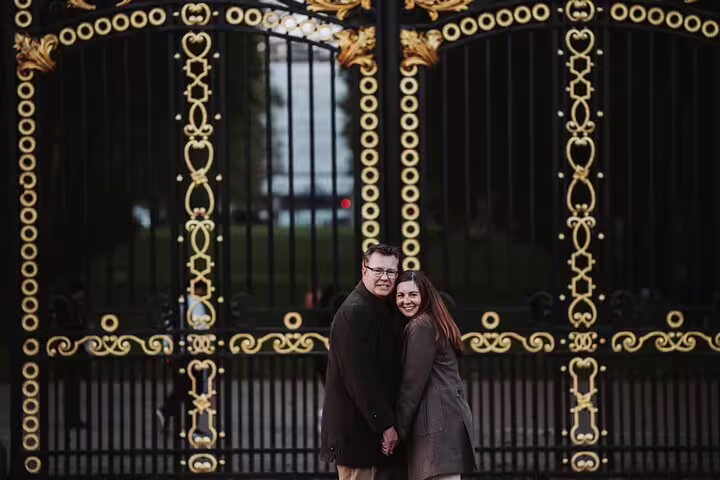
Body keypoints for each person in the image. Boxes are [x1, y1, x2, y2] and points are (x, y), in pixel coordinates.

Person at [320, 244, 405, 480]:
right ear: (364, 270)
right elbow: (360, 379)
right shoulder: (356, 312)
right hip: (357, 436)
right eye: (378, 270)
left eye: (391, 272)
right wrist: (386, 426)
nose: (385, 278)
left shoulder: (377, 308)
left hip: (369, 435)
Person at [393, 271, 476, 480]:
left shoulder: (421, 325)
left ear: (425, 296)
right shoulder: (431, 321)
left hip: (437, 425)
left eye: (413, 294)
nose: (406, 301)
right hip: (446, 420)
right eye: (400, 296)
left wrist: (397, 432)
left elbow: (412, 385)